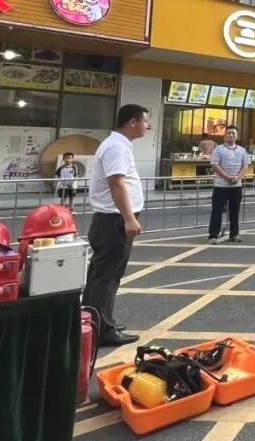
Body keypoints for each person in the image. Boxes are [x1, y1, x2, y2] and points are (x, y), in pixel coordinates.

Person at [84, 104, 149, 346]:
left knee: (103, 275)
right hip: (113, 221)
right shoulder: (116, 147)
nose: (147, 126)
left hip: (112, 219)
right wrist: (129, 218)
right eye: (145, 121)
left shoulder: (119, 145)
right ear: (132, 122)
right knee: (107, 277)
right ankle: (102, 330)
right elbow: (116, 183)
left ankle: (96, 321)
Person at [207, 125, 248, 244]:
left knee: (235, 211)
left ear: (237, 136)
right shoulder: (218, 149)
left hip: (236, 185)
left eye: (233, 133)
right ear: (224, 135)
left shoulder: (242, 150)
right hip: (220, 186)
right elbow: (215, 165)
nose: (231, 135)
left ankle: (234, 234)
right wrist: (226, 177)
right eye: (229, 133)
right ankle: (213, 235)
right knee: (217, 210)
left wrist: (237, 178)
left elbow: (245, 166)